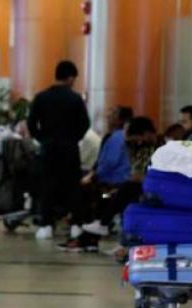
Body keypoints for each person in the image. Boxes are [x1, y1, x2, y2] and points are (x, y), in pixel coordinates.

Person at [27, 61, 90, 241]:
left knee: (47, 186)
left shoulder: (41, 97)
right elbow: (85, 123)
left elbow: (31, 123)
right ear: (70, 78)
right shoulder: (75, 99)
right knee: (73, 187)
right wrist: (73, 139)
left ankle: (46, 225)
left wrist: (42, 139)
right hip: (70, 149)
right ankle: (76, 226)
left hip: (48, 149)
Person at [80, 117, 159, 254]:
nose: (138, 141)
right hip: (133, 186)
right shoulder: (138, 147)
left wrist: (141, 178)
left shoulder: (160, 148)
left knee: (119, 192)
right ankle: (114, 237)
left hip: (152, 186)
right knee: (117, 196)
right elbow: (135, 171)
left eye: (139, 138)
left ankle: (102, 225)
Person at [62, 107, 133, 251]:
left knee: (87, 195)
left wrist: (94, 176)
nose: (108, 118)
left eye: (112, 115)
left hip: (112, 184)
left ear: (120, 120)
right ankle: (86, 237)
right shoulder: (116, 137)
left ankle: (83, 234)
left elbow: (108, 162)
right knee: (89, 194)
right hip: (114, 182)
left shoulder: (116, 138)